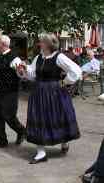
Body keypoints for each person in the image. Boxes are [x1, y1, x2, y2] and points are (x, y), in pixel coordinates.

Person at [17, 33, 82, 164]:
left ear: (48, 44)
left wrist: (65, 82)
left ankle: (64, 141)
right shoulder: (38, 57)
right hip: (39, 93)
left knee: (58, 116)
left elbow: (76, 70)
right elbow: (32, 75)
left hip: (55, 92)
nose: (39, 44)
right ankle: (41, 152)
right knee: (39, 118)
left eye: (41, 42)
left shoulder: (59, 57)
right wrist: (23, 69)